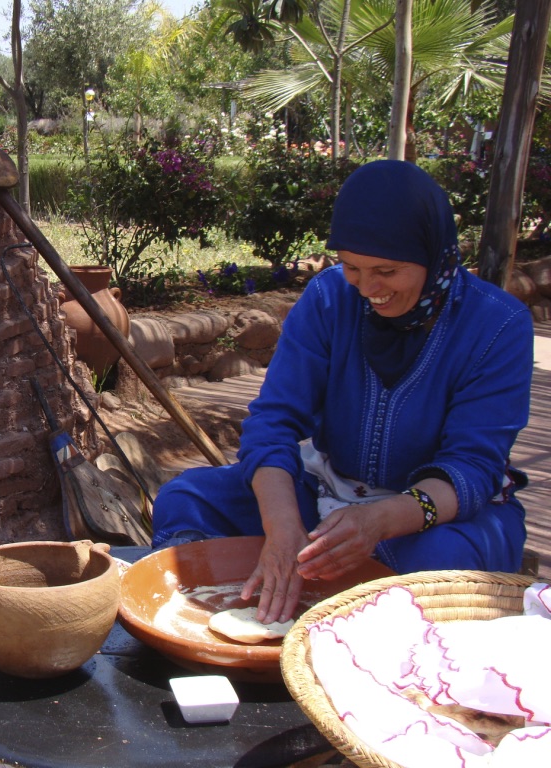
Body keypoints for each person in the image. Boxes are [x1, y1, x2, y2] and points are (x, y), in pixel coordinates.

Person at [151, 160, 533, 626]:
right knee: (186, 498)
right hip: (328, 490)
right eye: (352, 267)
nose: (370, 289)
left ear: (432, 256)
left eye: (387, 271)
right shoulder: (330, 299)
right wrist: (284, 528)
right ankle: (207, 614)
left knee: (433, 564)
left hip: (436, 517)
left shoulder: (497, 326)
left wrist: (379, 522)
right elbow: (273, 422)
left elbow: (472, 468)